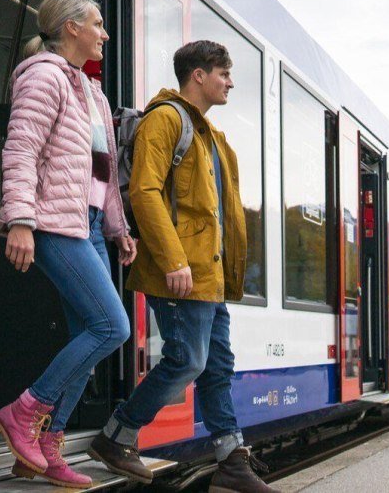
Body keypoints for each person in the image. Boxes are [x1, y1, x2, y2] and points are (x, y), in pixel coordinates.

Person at [88, 40, 275, 493]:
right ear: (199, 75)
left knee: (218, 366)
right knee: (187, 360)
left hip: (208, 275)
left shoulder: (211, 136)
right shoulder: (166, 119)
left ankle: (232, 462)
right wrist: (173, 259)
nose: (230, 83)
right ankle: (116, 436)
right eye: (224, 73)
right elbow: (145, 191)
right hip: (180, 271)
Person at [0, 0, 137, 490]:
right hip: (53, 222)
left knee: (87, 340)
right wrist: (20, 219)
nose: (105, 34)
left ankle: (45, 450)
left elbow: (103, 174)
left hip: (88, 225)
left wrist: (118, 228)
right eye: (98, 24)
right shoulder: (44, 75)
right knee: (112, 327)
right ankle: (23, 412)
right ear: (71, 28)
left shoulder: (92, 92)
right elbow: (21, 149)